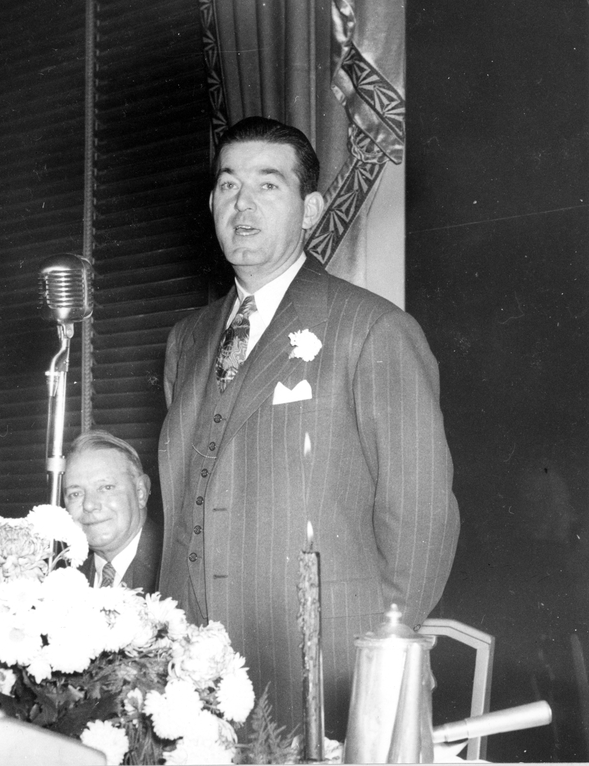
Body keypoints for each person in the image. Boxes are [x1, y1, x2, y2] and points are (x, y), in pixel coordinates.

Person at [158, 116, 460, 738]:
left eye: (268, 185)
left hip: (324, 663)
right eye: (227, 185)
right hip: (192, 669)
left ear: (311, 209)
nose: (241, 204)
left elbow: (421, 514)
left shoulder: (371, 329)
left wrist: (384, 655)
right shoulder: (186, 340)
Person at [64, 430, 162, 593]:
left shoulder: (177, 568)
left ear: (140, 492)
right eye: (75, 494)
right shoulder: (64, 586)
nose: (89, 505)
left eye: (105, 487)